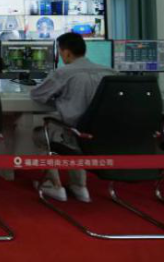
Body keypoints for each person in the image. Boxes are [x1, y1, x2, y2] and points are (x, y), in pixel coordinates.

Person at [29, 32, 115, 203]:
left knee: (40, 134)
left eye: (60, 52)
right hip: (103, 136)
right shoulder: (111, 73)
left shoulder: (63, 73)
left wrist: (59, 97)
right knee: (77, 133)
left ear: (66, 53)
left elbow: (37, 95)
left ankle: (54, 185)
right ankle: (80, 186)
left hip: (75, 135)